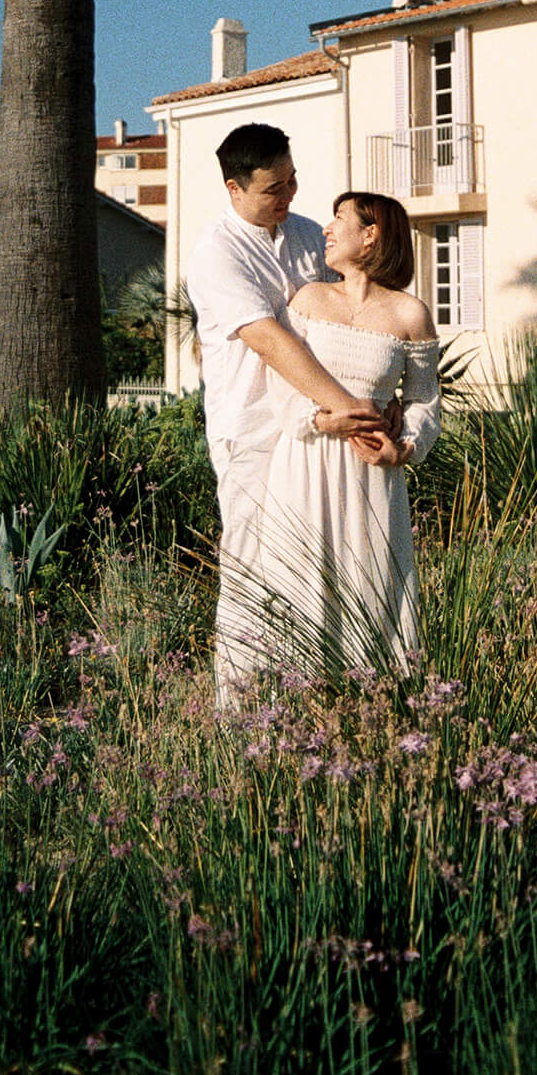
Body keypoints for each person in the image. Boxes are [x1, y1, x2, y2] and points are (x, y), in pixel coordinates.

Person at [185, 122, 395, 707]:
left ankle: (322, 697)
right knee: (252, 567)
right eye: (274, 188)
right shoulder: (217, 254)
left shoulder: (307, 235)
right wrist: (347, 406)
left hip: (320, 433)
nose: (290, 196)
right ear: (234, 189)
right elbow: (271, 340)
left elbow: (356, 314)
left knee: (326, 560)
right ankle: (239, 711)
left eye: (293, 179)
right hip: (253, 433)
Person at [258, 191, 440, 680]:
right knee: (300, 581)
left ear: (371, 233)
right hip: (306, 462)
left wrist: (403, 449)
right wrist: (321, 421)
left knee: (371, 579)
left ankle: (372, 706)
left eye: (339, 218)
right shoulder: (309, 299)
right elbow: (281, 378)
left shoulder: (410, 315)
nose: (327, 228)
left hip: (372, 474)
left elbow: (425, 400)